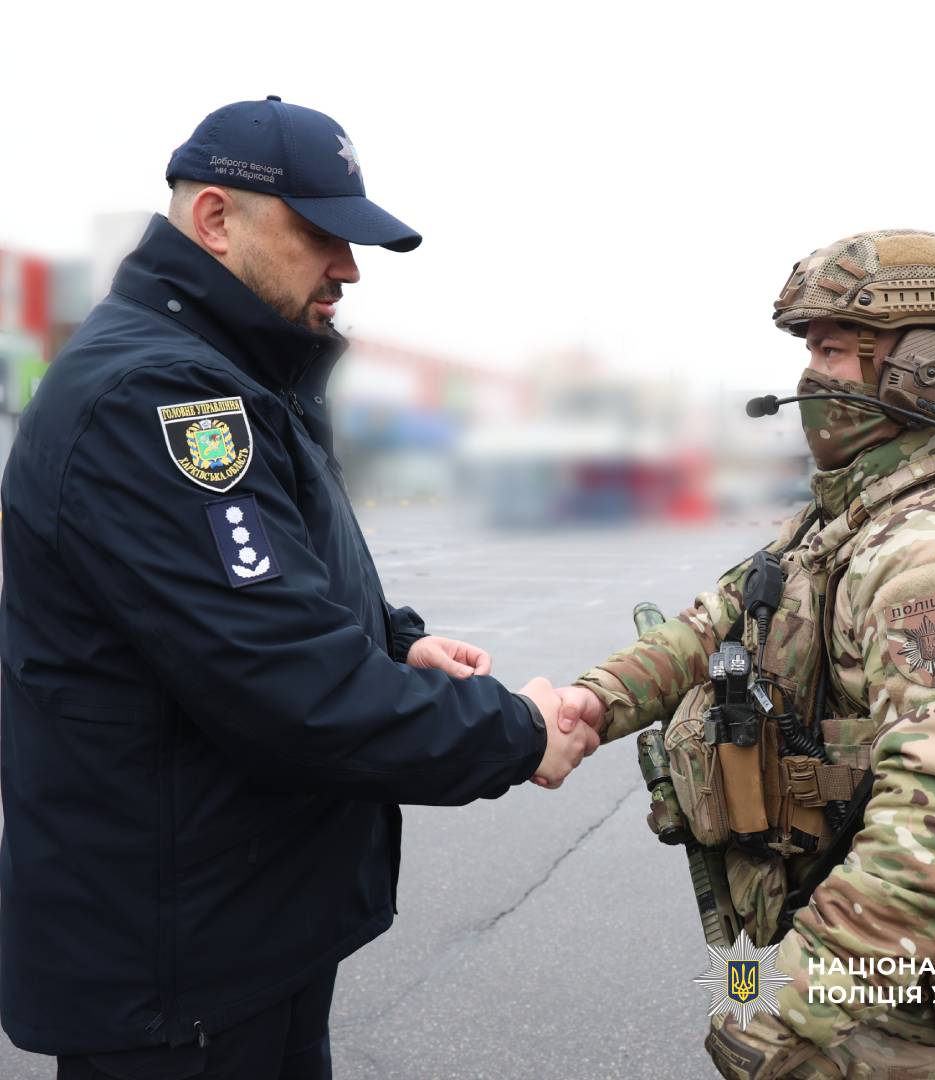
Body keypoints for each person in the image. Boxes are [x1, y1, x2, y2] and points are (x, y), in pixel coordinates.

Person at [0, 96, 597, 1080]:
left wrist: (397, 640)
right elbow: (282, 681)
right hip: (176, 978)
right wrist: (517, 731)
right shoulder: (157, 400)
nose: (350, 268)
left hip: (232, 939)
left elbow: (280, 583)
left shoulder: (236, 377)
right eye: (322, 234)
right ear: (216, 222)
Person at [555, 230, 935, 1078]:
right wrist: (597, 701)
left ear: (923, 368)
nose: (809, 377)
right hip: (888, 983)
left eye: (833, 349)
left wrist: (795, 1012)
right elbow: (725, 615)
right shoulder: (857, 512)